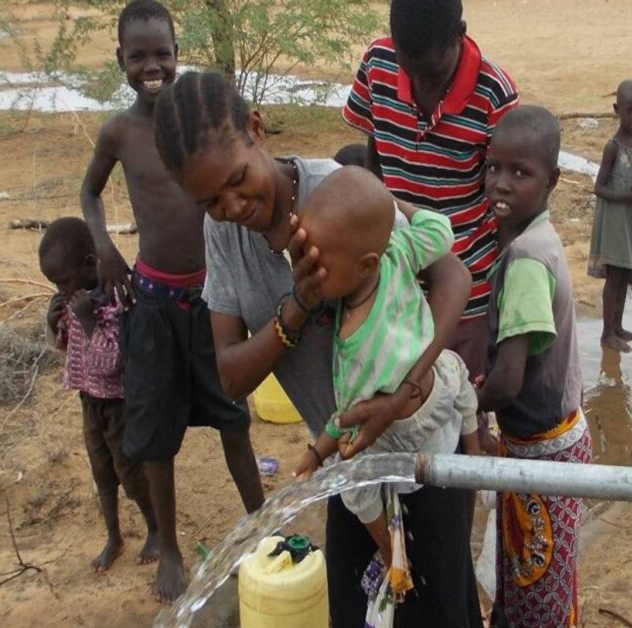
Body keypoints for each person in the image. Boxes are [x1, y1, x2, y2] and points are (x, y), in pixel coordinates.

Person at [151, 70, 481, 627]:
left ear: (257, 130)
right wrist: (298, 305)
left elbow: (453, 277)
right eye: (209, 201)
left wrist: (403, 393)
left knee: (440, 605)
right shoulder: (225, 237)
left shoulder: (337, 192)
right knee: (357, 610)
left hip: (425, 448)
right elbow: (229, 378)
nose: (231, 207)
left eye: (237, 180)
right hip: (346, 461)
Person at [77, 0, 263, 603]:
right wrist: (103, 245)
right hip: (151, 303)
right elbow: (89, 191)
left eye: (162, 54)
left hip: (213, 299)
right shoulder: (120, 132)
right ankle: (172, 548)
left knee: (234, 419)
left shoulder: (196, 125)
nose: (151, 66)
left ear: (178, 55)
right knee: (155, 432)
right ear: (121, 61)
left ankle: (261, 523)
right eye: (138, 56)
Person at [291, 167, 482, 622]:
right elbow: (439, 228)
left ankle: (390, 548)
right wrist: (396, 207)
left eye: (321, 267)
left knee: (352, 473)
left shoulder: (356, 342)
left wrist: (319, 452)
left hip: (401, 429)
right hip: (438, 387)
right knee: (457, 370)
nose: (310, 276)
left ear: (363, 266)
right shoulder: (398, 253)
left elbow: (349, 417)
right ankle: (475, 448)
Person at [342, 0, 519, 379]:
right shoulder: (378, 63)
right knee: (399, 403)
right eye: (410, 69)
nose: (421, 83)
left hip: (467, 292)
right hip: (395, 283)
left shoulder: (494, 93)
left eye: (433, 73)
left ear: (460, 34)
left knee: (463, 407)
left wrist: (505, 295)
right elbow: (373, 157)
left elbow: (509, 203)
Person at [475, 105, 591, 628]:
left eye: (519, 173)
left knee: (534, 594)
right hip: (558, 437)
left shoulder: (525, 259)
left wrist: (464, 399)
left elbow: (508, 381)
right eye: (493, 167)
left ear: (552, 180)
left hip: (542, 454)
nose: (500, 184)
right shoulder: (538, 239)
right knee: (538, 581)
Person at [39, 217, 158, 573]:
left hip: (118, 403)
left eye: (63, 281)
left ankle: (154, 528)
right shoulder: (75, 301)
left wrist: (88, 320)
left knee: (131, 472)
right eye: (54, 284)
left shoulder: (111, 301)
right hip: (88, 401)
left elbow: (112, 361)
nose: (61, 289)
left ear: (90, 264)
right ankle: (114, 537)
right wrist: (54, 321)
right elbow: (65, 348)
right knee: (102, 472)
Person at [589, 80, 632, 349]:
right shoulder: (613, 147)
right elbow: (599, 188)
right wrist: (630, 198)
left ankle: (618, 326)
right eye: (630, 111)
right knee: (614, 278)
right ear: (617, 110)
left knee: (626, 275)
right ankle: (607, 333)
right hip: (615, 219)